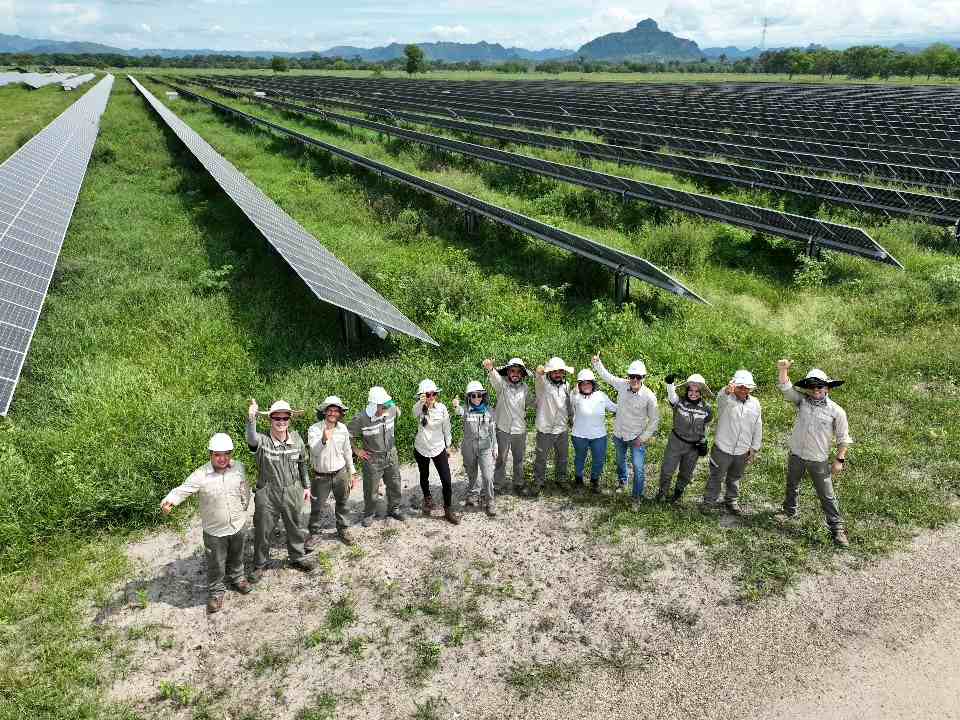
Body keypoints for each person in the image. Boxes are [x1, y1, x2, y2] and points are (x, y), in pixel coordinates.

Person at [161, 433, 251, 614]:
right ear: (210, 454)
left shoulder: (238, 467)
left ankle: (238, 577)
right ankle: (216, 592)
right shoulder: (201, 475)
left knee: (237, 554)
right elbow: (183, 489)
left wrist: (245, 504)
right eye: (217, 454)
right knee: (216, 563)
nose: (222, 458)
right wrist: (170, 501)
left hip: (238, 524)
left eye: (226, 453)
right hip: (215, 531)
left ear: (231, 453)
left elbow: (244, 487)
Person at [777, 360, 852, 547]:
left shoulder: (837, 412)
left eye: (820, 386)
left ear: (827, 388)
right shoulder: (802, 401)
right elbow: (786, 388)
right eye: (812, 386)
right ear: (809, 389)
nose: (816, 390)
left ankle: (837, 529)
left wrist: (839, 460)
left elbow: (844, 438)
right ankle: (789, 510)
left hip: (818, 459)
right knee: (792, 484)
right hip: (796, 454)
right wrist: (783, 369)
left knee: (827, 495)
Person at [246, 399, 318, 583]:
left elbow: (302, 464)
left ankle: (297, 557)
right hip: (267, 492)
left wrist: (307, 486)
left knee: (295, 525)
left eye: (285, 418)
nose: (281, 421)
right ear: (270, 419)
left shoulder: (297, 439)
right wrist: (251, 418)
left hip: (293, 490)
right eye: (277, 418)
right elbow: (251, 439)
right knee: (263, 529)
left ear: (290, 419)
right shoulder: (263, 441)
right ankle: (260, 564)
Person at [592, 353, 660, 505]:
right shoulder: (622, 385)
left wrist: (642, 438)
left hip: (637, 438)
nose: (634, 380)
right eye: (632, 376)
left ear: (644, 378)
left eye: (638, 377)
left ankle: (636, 497)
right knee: (620, 460)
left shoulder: (649, 396)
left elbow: (654, 420)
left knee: (638, 467)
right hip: (619, 434)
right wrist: (597, 363)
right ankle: (623, 482)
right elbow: (607, 377)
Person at [702, 370, 762, 515]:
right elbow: (721, 397)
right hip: (722, 448)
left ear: (750, 388)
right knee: (716, 476)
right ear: (734, 386)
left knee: (735, 478)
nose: (743, 390)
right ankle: (709, 501)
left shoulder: (755, 403)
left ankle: (731, 501)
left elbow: (758, 425)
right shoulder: (726, 400)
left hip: (742, 450)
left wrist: (754, 448)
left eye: (746, 387)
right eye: (740, 386)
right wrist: (726, 390)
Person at [348, 386, 405, 527]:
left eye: (387, 404)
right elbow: (347, 435)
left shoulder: (391, 410)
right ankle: (369, 514)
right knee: (371, 489)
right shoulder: (361, 419)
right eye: (383, 405)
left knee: (395, 483)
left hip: (391, 454)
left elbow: (398, 411)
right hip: (372, 459)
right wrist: (356, 450)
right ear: (374, 406)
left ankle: (394, 508)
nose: (386, 407)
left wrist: (394, 406)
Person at [306, 395, 358, 548]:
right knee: (316, 507)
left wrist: (352, 473)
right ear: (324, 412)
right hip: (320, 476)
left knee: (342, 503)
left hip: (340, 473)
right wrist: (323, 439)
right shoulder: (314, 429)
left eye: (336, 410)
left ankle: (343, 530)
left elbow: (347, 452)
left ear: (340, 413)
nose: (333, 413)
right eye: (330, 410)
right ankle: (314, 534)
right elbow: (314, 452)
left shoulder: (343, 429)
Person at [657, 373, 713, 504]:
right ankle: (662, 493)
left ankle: (677, 494)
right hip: (676, 442)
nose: (693, 393)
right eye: (690, 390)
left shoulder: (706, 409)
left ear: (701, 392)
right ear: (687, 390)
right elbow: (671, 397)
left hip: (693, 447)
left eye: (696, 391)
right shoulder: (679, 403)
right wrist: (670, 384)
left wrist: (704, 441)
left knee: (686, 473)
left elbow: (706, 425)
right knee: (667, 469)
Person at [484, 357, 535, 495]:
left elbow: (533, 402)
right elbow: (495, 379)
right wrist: (490, 368)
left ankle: (518, 483)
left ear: (522, 374)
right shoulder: (502, 385)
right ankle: (498, 484)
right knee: (501, 458)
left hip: (520, 429)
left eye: (518, 372)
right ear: (507, 372)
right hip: (503, 429)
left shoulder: (525, 388)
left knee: (519, 459)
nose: (515, 374)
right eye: (512, 371)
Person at [413, 379, 459, 525]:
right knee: (424, 475)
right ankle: (427, 498)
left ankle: (448, 509)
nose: (431, 397)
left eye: (433, 394)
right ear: (422, 395)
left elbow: (447, 428)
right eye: (427, 394)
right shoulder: (419, 408)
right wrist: (422, 403)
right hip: (421, 448)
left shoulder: (442, 408)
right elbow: (414, 412)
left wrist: (448, 445)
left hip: (438, 448)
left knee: (446, 480)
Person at [452, 381, 498, 516]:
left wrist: (495, 446)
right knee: (472, 473)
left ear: (483, 396)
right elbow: (457, 411)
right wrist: (455, 405)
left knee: (488, 476)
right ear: (469, 397)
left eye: (479, 395)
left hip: (485, 447)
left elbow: (493, 430)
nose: (477, 398)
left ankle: (490, 501)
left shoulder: (490, 411)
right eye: (473, 396)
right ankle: (473, 494)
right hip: (468, 447)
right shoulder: (465, 410)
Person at [569, 368, 617, 493]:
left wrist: (627, 405)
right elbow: (568, 410)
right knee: (580, 458)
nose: (586, 385)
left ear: (593, 384)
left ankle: (594, 481)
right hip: (579, 434)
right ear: (579, 385)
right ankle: (578, 480)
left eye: (588, 383)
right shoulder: (574, 396)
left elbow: (614, 408)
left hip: (599, 435)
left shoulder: (601, 396)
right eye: (583, 383)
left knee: (599, 459)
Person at [533, 357, 574, 492]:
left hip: (562, 428)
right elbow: (539, 377)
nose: (558, 374)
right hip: (545, 429)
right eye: (555, 371)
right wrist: (540, 372)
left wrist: (571, 418)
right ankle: (538, 481)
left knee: (562, 457)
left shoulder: (566, 385)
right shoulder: (543, 385)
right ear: (549, 373)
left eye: (560, 371)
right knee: (541, 458)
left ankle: (561, 479)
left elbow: (568, 404)